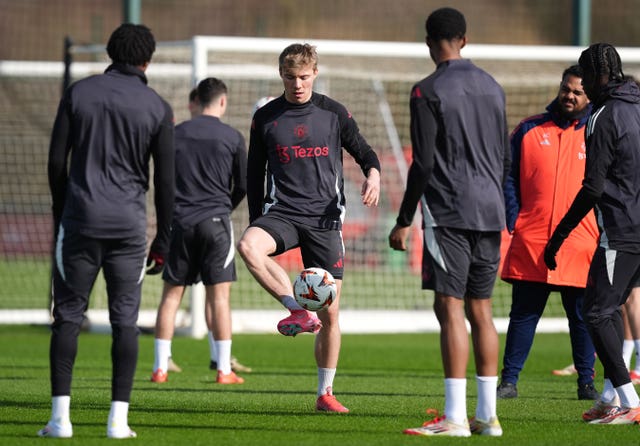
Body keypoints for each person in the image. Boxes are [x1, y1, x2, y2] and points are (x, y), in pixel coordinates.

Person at [41, 23, 175, 438]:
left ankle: (60, 420)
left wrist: (64, 212)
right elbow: (166, 182)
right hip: (129, 228)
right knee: (125, 322)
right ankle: (118, 421)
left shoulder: (79, 93)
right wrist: (163, 240)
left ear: (109, 54)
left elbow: (55, 163)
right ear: (147, 59)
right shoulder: (157, 106)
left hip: (80, 219)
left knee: (66, 317)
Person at [236, 43, 381, 413]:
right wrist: (257, 218)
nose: (297, 83)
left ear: (314, 73)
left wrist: (374, 176)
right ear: (280, 75)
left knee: (331, 312)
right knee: (249, 246)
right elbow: (254, 175)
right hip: (282, 213)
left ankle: (325, 393)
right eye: (289, 77)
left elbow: (364, 151)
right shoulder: (266, 117)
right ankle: (297, 310)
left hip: (324, 220)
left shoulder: (333, 113)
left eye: (303, 76)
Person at [388, 7, 509, 437]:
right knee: (482, 309)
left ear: (428, 42)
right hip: (490, 210)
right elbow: (504, 157)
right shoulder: (493, 87)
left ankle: (456, 417)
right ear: (465, 39)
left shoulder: (427, 90)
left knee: (450, 307)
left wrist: (404, 220)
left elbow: (422, 164)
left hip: (450, 211)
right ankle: (488, 417)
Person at [544, 43, 640, 424]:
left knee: (596, 312)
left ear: (596, 77)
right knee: (611, 307)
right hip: (635, 228)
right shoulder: (637, 104)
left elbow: (593, 188)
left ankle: (630, 401)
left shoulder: (602, 116)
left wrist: (559, 235)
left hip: (621, 229)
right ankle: (608, 398)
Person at [497, 65, 599, 401]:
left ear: (589, 96)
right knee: (523, 316)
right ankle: (508, 381)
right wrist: (515, 219)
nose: (569, 96)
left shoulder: (597, 134)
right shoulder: (528, 129)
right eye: (566, 89)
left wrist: (599, 229)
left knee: (582, 319)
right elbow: (507, 177)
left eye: (577, 92)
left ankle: (586, 384)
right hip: (534, 241)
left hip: (580, 244)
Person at [151, 78, 247, 385]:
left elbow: (162, 181)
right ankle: (223, 370)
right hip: (216, 224)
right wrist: (223, 208)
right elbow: (244, 185)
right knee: (219, 298)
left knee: (171, 296)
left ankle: (160, 368)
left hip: (180, 222)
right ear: (222, 101)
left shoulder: (175, 135)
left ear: (195, 101)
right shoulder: (232, 136)